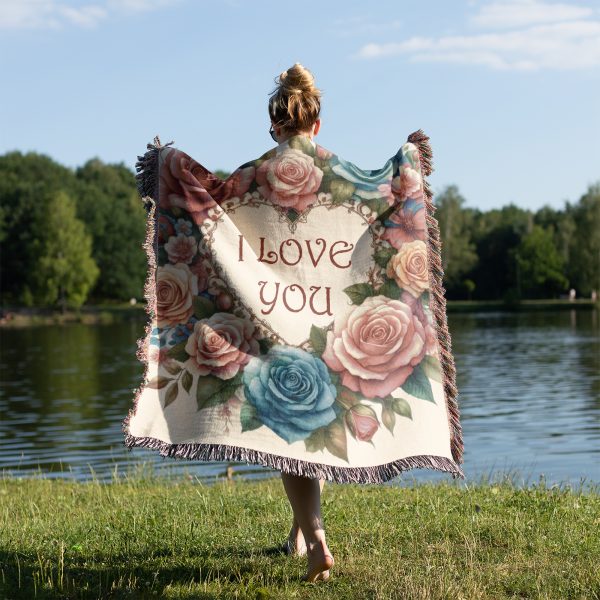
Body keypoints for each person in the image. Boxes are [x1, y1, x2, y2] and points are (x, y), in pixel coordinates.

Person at [267, 62, 333, 583]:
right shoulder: (340, 174)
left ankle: (316, 542)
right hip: (330, 318)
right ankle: (296, 535)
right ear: (317, 123)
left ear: (275, 126)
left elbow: (211, 207)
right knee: (312, 425)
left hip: (277, 312)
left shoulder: (257, 173)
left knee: (291, 432)